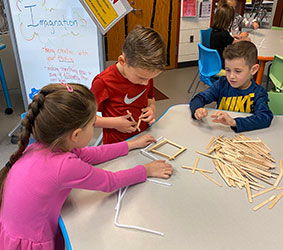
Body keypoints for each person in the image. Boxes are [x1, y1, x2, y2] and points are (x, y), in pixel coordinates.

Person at [0, 83, 173, 250]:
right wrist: (147, 170)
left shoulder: (42, 145)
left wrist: (131, 144)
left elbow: (91, 154)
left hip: (13, 233)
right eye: (92, 124)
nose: (94, 127)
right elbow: (109, 182)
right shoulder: (64, 165)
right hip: (33, 241)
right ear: (76, 135)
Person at [91, 25, 166, 144]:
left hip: (142, 139)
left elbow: (150, 98)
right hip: (117, 146)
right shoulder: (103, 82)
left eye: (150, 78)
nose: (146, 83)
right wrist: (115, 123)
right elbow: (87, 120)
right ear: (122, 61)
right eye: (141, 78)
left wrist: (151, 108)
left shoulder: (145, 75)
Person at [189, 41, 273, 133]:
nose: (231, 76)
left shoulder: (258, 93)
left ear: (253, 70)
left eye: (237, 71)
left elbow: (265, 118)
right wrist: (197, 109)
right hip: (220, 133)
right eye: (228, 70)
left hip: (244, 137)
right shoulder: (222, 83)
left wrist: (234, 122)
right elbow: (199, 98)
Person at [210, 4, 250, 68]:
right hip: (222, 62)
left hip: (215, 59)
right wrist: (244, 39)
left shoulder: (215, 30)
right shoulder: (223, 33)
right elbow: (233, 42)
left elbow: (226, 39)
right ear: (227, 20)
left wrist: (234, 36)